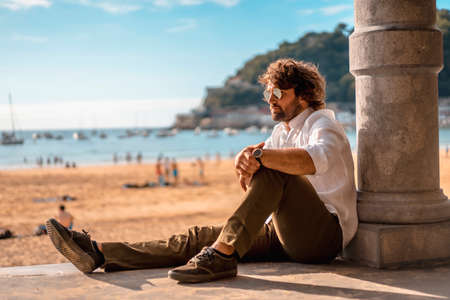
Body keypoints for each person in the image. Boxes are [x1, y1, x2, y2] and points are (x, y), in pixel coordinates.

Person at [46, 58, 357, 284]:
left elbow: (316, 159)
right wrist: (247, 168)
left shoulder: (323, 123)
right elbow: (257, 194)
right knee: (199, 237)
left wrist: (261, 157)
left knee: (271, 168)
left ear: (302, 95)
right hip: (283, 232)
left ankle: (222, 258)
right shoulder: (282, 134)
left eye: (278, 93)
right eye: (268, 94)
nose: (270, 101)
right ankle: (101, 253)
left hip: (323, 237)